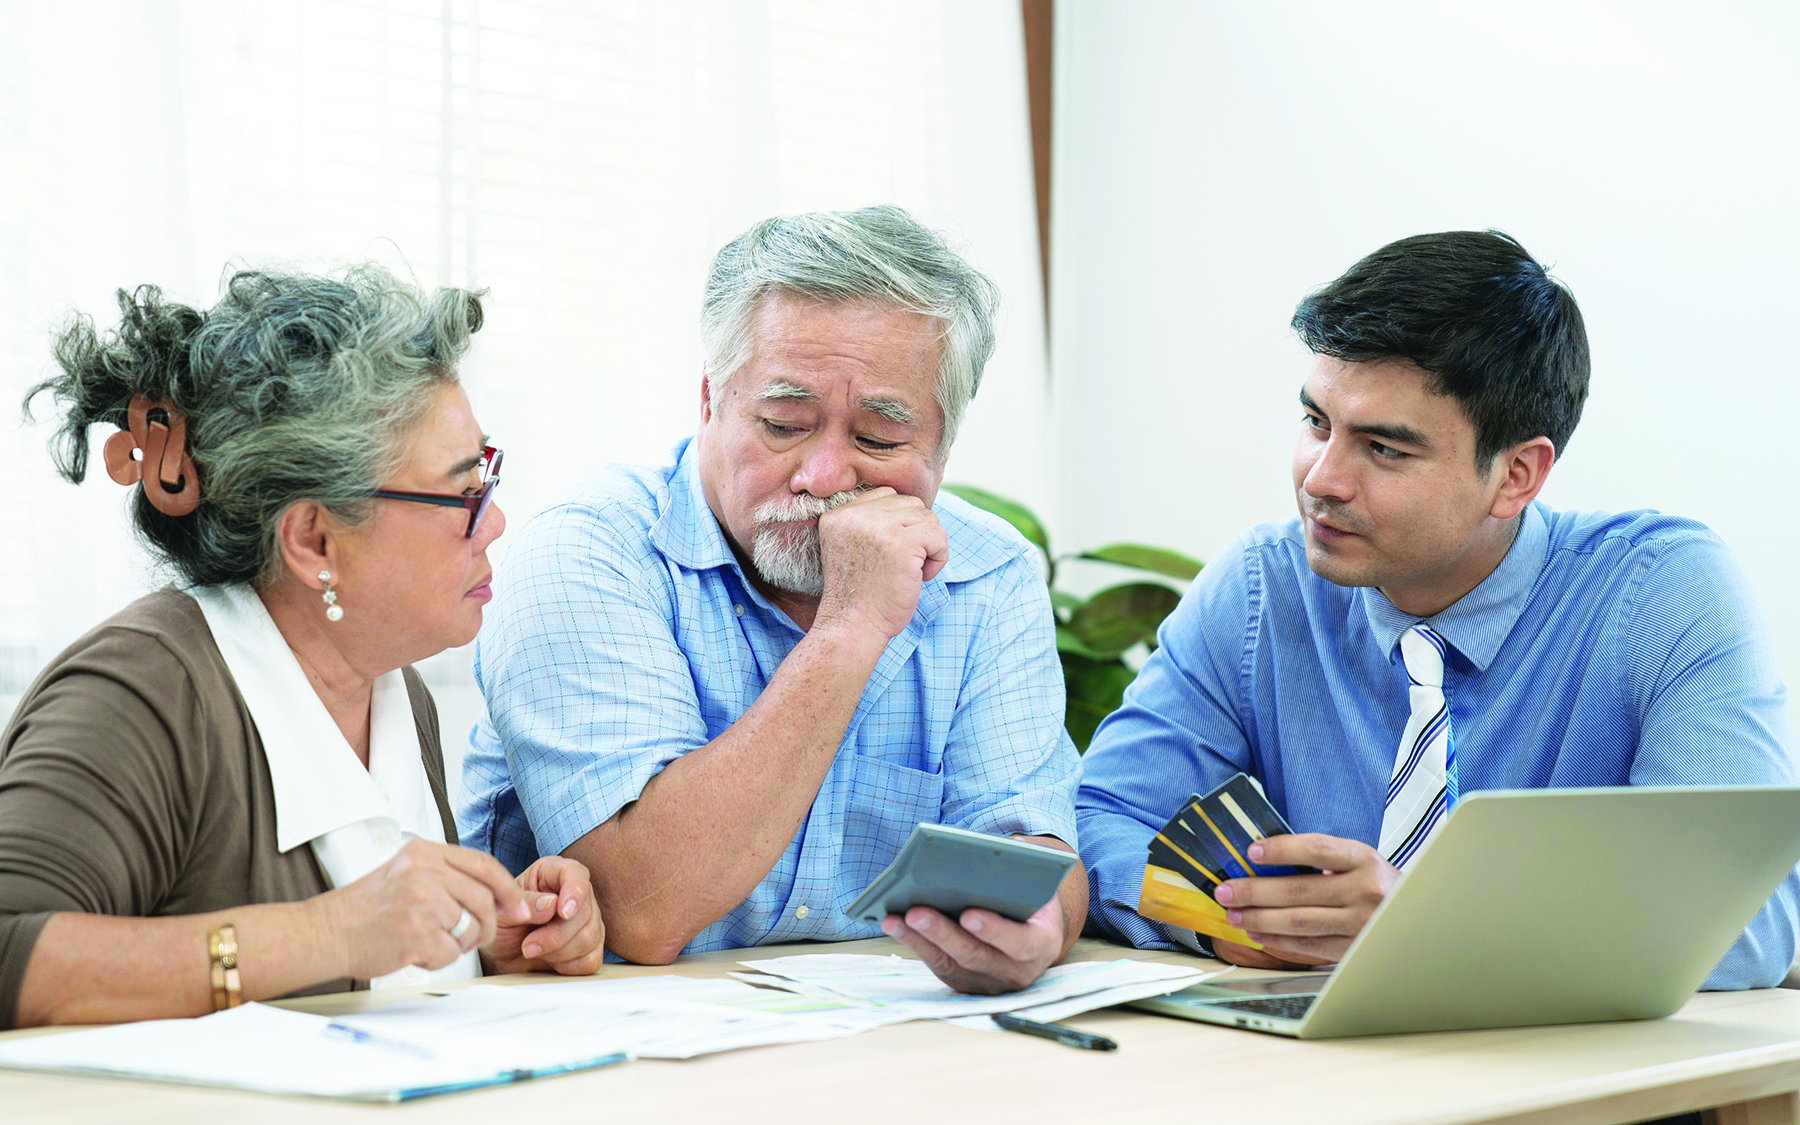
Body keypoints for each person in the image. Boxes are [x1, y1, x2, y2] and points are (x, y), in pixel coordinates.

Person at [1076, 231, 1800, 989]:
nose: (1321, 480)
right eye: (1316, 422)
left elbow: (1748, 920)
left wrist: (1427, 930)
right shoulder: (1264, 586)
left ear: (1517, 474)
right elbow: (1101, 822)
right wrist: (1228, 923)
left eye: (1384, 449)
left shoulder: (1661, 592)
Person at [458, 206, 1085, 993]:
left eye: (881, 441)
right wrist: (850, 626)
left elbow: (1039, 852)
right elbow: (646, 911)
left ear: (944, 445)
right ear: (710, 403)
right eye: (785, 423)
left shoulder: (989, 573)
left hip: (878, 1042)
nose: (825, 477)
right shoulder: (589, 551)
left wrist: (1038, 926)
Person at [1, 266, 605, 1030]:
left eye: (486, 473)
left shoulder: (392, 687)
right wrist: (331, 930)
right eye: (462, 492)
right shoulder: (138, 690)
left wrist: (488, 940)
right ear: (315, 539)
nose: (495, 522)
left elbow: (368, 982)